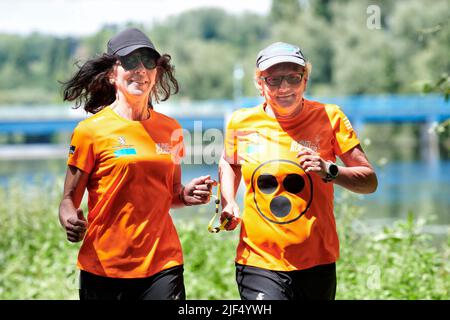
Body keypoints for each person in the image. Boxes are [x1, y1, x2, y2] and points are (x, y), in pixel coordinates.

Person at [58, 28, 215, 300]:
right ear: (111, 74)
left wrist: (185, 195)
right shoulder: (90, 131)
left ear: (156, 72)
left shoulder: (171, 128)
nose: (141, 69)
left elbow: (171, 193)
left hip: (162, 262)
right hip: (104, 266)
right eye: (130, 62)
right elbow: (69, 200)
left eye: (148, 62)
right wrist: (70, 220)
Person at [219, 42, 378, 300]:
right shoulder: (241, 122)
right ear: (260, 85)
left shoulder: (330, 117)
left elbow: (369, 181)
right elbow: (229, 162)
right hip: (259, 260)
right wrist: (228, 201)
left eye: (293, 78)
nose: (284, 88)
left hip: (317, 261)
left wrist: (329, 170)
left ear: (305, 80)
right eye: (273, 80)